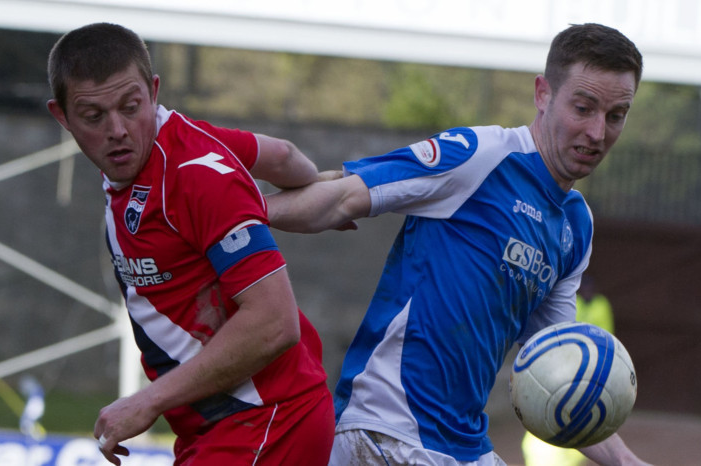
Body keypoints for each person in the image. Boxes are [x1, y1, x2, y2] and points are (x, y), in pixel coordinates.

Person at [267, 23, 651, 465]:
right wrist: (229, 216)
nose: (598, 133)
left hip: (460, 445)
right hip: (387, 433)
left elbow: (561, 373)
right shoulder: (480, 156)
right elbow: (339, 197)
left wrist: (627, 462)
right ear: (543, 93)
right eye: (583, 108)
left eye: (616, 116)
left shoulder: (574, 225)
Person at [46, 23, 334, 465]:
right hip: (225, 427)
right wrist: (311, 188)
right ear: (62, 116)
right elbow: (282, 156)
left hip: (267, 422)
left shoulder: (194, 175)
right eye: (93, 116)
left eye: (130, 106)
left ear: (154, 91)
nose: (117, 129)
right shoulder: (177, 141)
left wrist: (148, 400)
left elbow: (275, 323)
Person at [521, 275, 615, 466]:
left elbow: (607, 332)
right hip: (571, 360)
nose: (587, 292)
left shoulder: (601, 305)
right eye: (585, 288)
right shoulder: (573, 304)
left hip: (594, 361)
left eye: (590, 288)